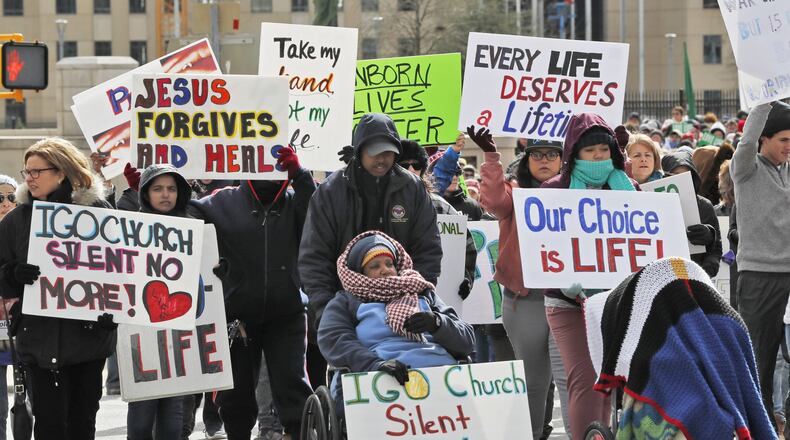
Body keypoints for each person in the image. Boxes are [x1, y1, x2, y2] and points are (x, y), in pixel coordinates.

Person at [188, 146, 315, 440]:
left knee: (293, 385)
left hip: (287, 314)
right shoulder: (222, 201)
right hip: (238, 316)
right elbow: (183, 218)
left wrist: (300, 175)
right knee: (237, 393)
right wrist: (213, 260)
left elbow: (320, 212)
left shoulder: (296, 201)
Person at [0, 138, 116, 439]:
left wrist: (112, 313)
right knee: (49, 426)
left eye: (37, 171)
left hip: (87, 342)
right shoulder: (16, 221)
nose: (29, 178)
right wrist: (13, 274)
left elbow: (119, 271)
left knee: (81, 424)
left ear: (61, 172)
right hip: (38, 341)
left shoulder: (99, 214)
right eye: (26, 172)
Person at [539, 114, 638, 437]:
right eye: (590, 150)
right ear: (574, 153)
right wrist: (562, 278)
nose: (598, 156)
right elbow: (542, 245)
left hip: (619, 301)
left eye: (604, 150)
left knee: (614, 380)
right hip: (567, 301)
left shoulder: (630, 188)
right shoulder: (554, 190)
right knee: (586, 379)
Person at [470, 130, 571, 439]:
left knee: (570, 379)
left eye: (551, 154)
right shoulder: (515, 193)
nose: (544, 160)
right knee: (533, 381)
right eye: (537, 155)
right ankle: (533, 434)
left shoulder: (577, 192)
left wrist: (617, 152)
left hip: (570, 300)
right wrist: (491, 157)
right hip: (526, 300)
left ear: (562, 160)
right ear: (527, 161)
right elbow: (494, 201)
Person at [299, 113, 441, 329]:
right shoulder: (330, 191)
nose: (381, 159)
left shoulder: (413, 188)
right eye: (374, 152)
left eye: (388, 153)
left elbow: (428, 250)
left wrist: (420, 300)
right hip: (343, 307)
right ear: (359, 151)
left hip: (404, 306)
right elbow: (315, 256)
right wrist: (326, 311)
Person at [317, 231, 474, 417]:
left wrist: (437, 323)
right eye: (374, 266)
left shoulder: (422, 292)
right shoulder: (346, 301)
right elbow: (335, 340)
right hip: (380, 378)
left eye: (389, 264)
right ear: (359, 272)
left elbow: (467, 340)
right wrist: (375, 365)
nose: (385, 270)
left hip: (440, 376)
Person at [730, 101, 790, 436]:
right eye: (783, 139)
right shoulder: (746, 169)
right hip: (759, 277)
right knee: (759, 360)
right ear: (763, 140)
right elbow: (747, 140)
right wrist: (766, 96)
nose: (789, 146)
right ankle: (758, 428)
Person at [126, 164, 191, 440]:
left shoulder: (193, 228)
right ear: (145, 193)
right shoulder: (129, 229)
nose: (165, 195)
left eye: (172, 189)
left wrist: (216, 270)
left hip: (179, 335)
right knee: (141, 417)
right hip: (140, 335)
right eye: (158, 189)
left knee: (173, 417)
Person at [661, 151, 723, 278]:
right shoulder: (654, 204)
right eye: (676, 175)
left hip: (695, 277)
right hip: (662, 276)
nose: (681, 180)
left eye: (686, 175)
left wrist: (710, 237)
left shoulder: (705, 206)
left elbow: (716, 248)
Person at [0, 175, 18, 440]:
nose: (5, 203)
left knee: (33, 404)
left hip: (25, 330)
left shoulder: (28, 233)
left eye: (11, 197)